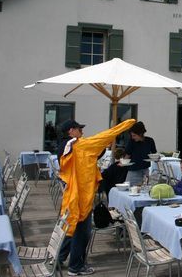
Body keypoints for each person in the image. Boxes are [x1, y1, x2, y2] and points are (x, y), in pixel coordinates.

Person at [58, 118, 136, 276]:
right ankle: (76, 267)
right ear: (70, 131)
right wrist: (124, 125)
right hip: (81, 197)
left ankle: (59, 259)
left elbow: (93, 152)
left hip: (72, 196)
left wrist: (101, 146)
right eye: (79, 129)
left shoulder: (66, 146)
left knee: (71, 228)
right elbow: (103, 137)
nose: (82, 131)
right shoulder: (79, 145)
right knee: (82, 233)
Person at [124, 121, 157, 186]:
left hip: (145, 170)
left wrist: (157, 158)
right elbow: (127, 155)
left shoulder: (150, 141)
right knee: (129, 189)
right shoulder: (132, 142)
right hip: (133, 171)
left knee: (144, 190)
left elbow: (154, 154)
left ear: (141, 134)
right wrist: (122, 163)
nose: (133, 137)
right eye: (132, 136)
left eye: (134, 135)